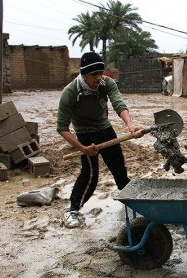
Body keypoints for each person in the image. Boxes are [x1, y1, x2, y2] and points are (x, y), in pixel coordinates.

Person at [56, 52, 144, 228]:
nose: (98, 78)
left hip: (105, 130)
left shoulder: (106, 83)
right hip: (85, 135)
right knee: (90, 175)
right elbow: (62, 128)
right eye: (93, 74)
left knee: (119, 169)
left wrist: (130, 125)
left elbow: (119, 103)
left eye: (100, 73)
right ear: (84, 74)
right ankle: (72, 210)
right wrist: (82, 148)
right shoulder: (70, 93)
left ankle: (135, 204)